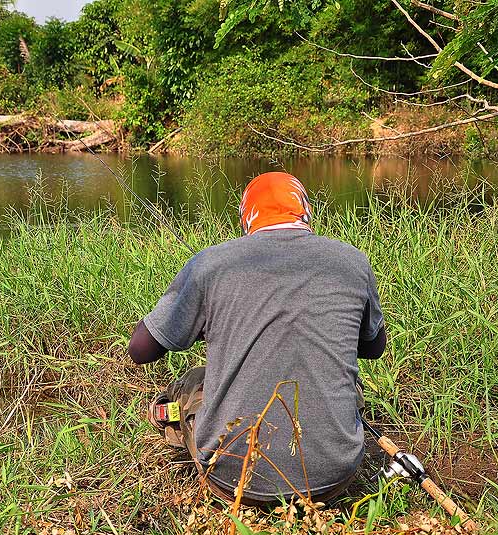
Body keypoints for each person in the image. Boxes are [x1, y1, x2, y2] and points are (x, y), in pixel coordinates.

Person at [128, 172, 386, 507]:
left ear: (246, 218)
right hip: (334, 478)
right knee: (349, 384)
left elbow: (141, 350)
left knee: (193, 380)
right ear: (306, 213)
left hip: (233, 480)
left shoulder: (211, 264)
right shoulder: (352, 261)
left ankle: (173, 420)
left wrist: (207, 317)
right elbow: (373, 347)